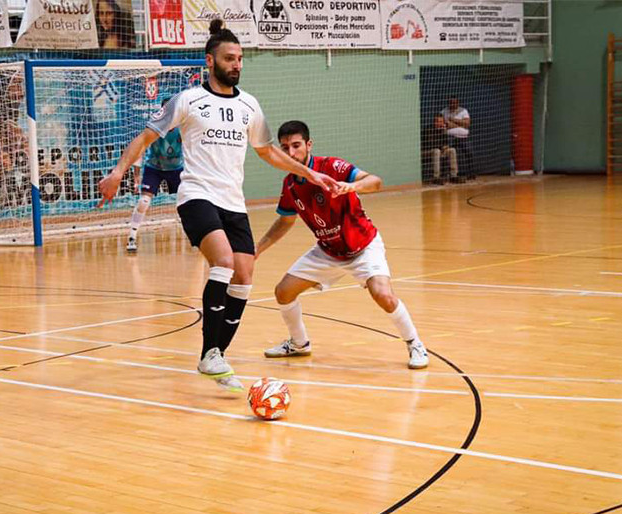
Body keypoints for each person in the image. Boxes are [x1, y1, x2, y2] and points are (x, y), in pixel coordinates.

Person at [98, 19, 339, 392]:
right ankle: (210, 351)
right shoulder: (188, 100)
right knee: (224, 262)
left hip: (233, 202)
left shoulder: (249, 106)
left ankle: (216, 355)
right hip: (196, 195)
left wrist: (309, 175)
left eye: (240, 58)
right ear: (210, 61)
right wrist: (117, 172)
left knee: (244, 275)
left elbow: (267, 152)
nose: (237, 64)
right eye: (230, 58)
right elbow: (145, 137)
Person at [255, 120, 429, 370]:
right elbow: (285, 221)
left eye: (296, 146)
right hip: (328, 250)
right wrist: (258, 248)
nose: (291, 153)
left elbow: (375, 181)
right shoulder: (290, 185)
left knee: (382, 294)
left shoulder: (331, 166)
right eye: (285, 148)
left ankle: (415, 343)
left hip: (363, 245)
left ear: (308, 144)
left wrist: (352, 186)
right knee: (283, 292)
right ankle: (299, 344)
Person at [127, 98, 183, 253]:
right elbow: (140, 148)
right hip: (154, 168)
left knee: (189, 201)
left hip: (176, 169)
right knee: (144, 201)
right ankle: (132, 236)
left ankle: (196, 235)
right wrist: (137, 174)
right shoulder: (154, 128)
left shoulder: (183, 128)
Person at [441, 96, 474, 180]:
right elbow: (444, 125)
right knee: (447, 153)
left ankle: (471, 173)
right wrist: (460, 124)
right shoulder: (444, 111)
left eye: (454, 102)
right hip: (449, 137)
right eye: (451, 102)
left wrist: (453, 120)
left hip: (463, 137)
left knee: (469, 153)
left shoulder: (463, 111)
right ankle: (446, 174)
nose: (453, 104)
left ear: (458, 103)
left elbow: (467, 124)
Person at [423, 113, 458, 184]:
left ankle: (453, 175)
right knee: (437, 151)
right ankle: (436, 177)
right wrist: (442, 147)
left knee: (452, 150)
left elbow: (445, 143)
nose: (440, 123)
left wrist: (445, 146)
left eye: (441, 122)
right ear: (434, 122)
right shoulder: (428, 129)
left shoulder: (442, 130)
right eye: (438, 121)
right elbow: (430, 145)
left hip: (440, 150)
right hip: (427, 151)